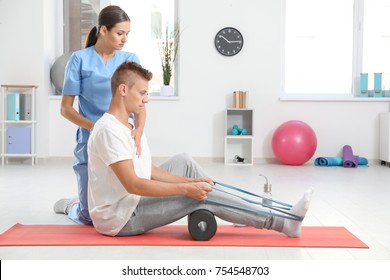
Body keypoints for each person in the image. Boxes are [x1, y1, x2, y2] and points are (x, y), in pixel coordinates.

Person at [86, 60, 313, 238]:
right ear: (123, 90)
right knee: (201, 196)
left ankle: (236, 210)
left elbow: (149, 170)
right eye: (142, 93)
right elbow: (134, 184)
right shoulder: (108, 130)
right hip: (121, 217)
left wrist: (191, 182)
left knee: (185, 163)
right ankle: (284, 224)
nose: (146, 100)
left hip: (131, 202)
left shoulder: (130, 126)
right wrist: (188, 191)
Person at [53, 5, 145, 225]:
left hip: (122, 137)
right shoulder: (79, 60)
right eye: (120, 33)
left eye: (127, 34)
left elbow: (140, 103)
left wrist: (139, 132)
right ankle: (71, 205)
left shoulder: (130, 58)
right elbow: (66, 108)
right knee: (88, 217)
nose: (124, 39)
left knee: (128, 205)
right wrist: (95, 127)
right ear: (103, 30)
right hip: (90, 137)